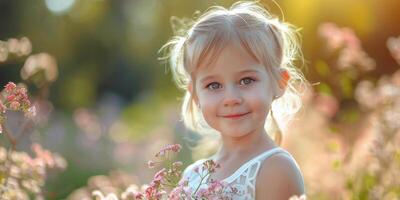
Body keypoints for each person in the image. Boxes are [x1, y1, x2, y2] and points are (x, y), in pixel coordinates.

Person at [160, 1, 307, 199]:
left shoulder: (275, 169)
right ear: (195, 95)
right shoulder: (193, 175)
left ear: (279, 83)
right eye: (214, 85)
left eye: (246, 80)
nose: (231, 98)